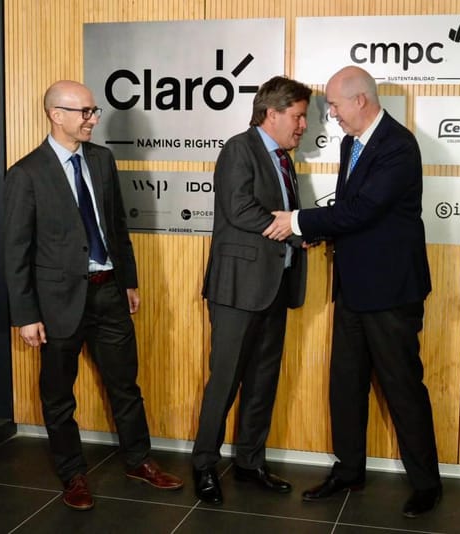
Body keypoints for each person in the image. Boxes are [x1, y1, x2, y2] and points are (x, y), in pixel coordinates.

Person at [264, 66, 442, 518]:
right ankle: (349, 470)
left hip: (391, 292)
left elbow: (364, 209)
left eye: (335, 106)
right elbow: (347, 211)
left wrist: (298, 221)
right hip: (353, 289)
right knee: (345, 385)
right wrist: (318, 234)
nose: (332, 116)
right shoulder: (351, 143)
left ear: (360, 100)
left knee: (402, 388)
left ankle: (427, 484)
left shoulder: (398, 146)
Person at [3, 80, 183, 511]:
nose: (92, 119)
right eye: (83, 111)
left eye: (94, 111)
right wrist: (26, 315)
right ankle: (72, 475)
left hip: (109, 295)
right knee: (59, 395)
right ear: (55, 114)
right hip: (56, 303)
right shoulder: (26, 173)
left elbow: (117, 228)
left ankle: (138, 461)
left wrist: (130, 282)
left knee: (125, 385)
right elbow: (15, 251)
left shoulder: (101, 160)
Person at [191, 76, 311, 505]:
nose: (302, 126)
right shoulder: (239, 149)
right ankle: (204, 464)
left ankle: (249, 462)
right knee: (225, 381)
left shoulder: (284, 159)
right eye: (297, 117)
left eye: (304, 118)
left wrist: (304, 229)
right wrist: (298, 232)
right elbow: (240, 208)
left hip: (275, 287)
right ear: (271, 113)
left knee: (263, 380)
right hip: (238, 290)